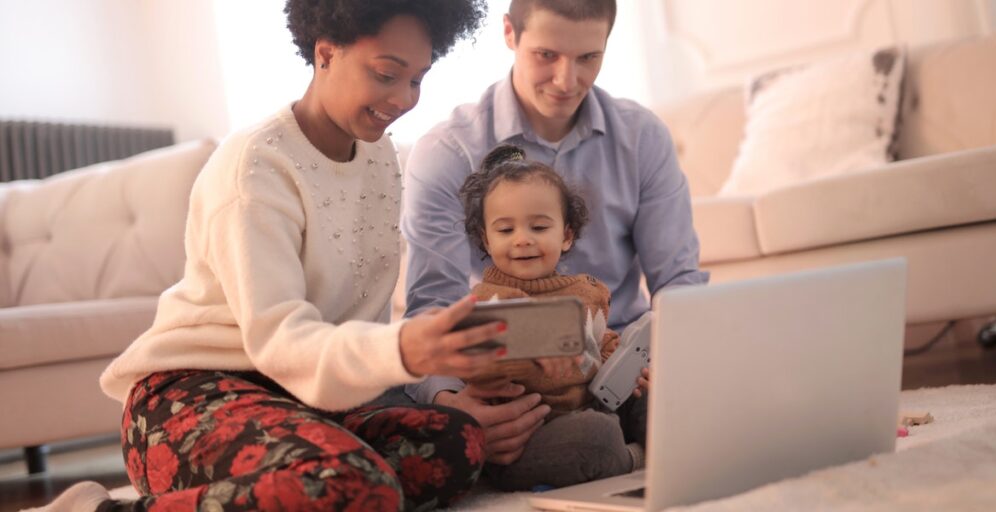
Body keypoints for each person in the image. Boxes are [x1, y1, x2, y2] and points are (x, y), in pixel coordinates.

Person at [30, 1, 528, 511]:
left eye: (418, 79)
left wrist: (439, 386)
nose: (403, 98)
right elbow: (280, 341)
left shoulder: (378, 156)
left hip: (305, 402)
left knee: (458, 442)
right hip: (192, 400)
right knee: (352, 486)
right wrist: (400, 350)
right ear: (326, 52)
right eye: (386, 74)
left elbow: (354, 332)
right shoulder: (257, 166)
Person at [401, 0, 708, 467]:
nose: (567, 82)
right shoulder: (447, 152)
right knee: (595, 442)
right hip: (513, 381)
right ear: (510, 34)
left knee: (719, 408)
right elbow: (431, 311)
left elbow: (679, 283)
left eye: (589, 58)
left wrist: (667, 361)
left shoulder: (643, 137)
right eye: (547, 55)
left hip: (625, 366)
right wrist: (451, 405)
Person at [456, 144, 645, 490]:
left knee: (652, 397)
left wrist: (629, 373)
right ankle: (635, 459)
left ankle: (671, 447)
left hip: (597, 403)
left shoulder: (588, 292)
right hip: (532, 439)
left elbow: (605, 343)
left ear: (567, 235)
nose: (523, 240)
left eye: (539, 228)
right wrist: (526, 348)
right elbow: (473, 367)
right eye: (506, 230)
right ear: (486, 239)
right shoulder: (486, 302)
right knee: (597, 438)